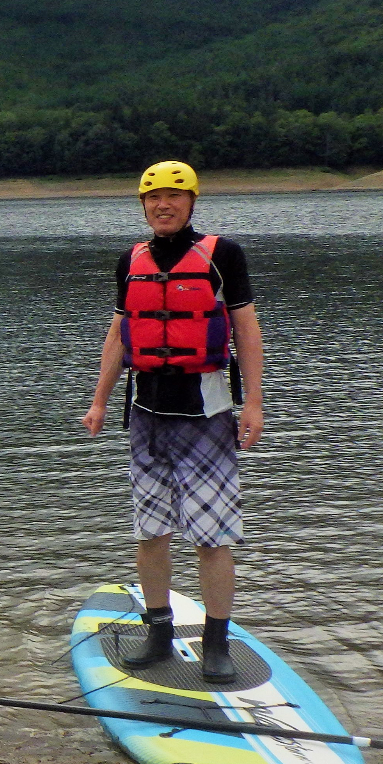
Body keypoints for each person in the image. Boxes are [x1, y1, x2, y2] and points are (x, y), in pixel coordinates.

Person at [81, 161, 264, 683]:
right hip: (145, 416)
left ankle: (216, 643)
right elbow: (119, 337)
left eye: (174, 197)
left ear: (191, 203)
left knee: (212, 535)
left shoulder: (222, 256)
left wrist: (253, 403)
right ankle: (158, 632)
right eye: (153, 197)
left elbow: (247, 332)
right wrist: (99, 401)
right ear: (143, 205)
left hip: (206, 414)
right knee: (150, 531)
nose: (164, 205)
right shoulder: (130, 261)